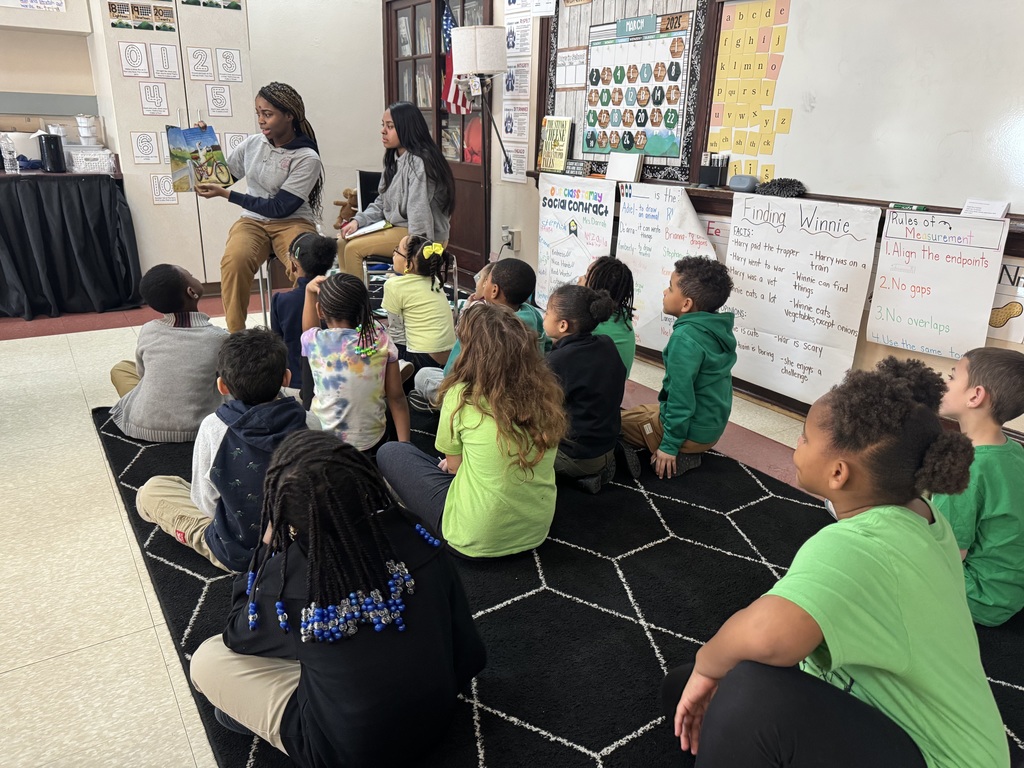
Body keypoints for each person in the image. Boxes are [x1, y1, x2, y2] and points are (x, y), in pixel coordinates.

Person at [661, 358, 1009, 768]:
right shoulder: (921, 512)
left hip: (940, 759)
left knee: (747, 692)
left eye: (805, 438)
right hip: (909, 732)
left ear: (838, 473)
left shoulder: (860, 544)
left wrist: (707, 666)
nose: (798, 443)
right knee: (683, 691)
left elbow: (767, 636)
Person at [189, 431, 486, 767]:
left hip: (345, 754)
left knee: (207, 658)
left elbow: (238, 633)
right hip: (439, 715)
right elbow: (470, 654)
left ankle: (259, 718)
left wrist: (265, 548)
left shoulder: (286, 579)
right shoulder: (417, 533)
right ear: (365, 481)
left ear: (280, 509)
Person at [376, 302, 567, 558]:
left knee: (391, 452)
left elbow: (454, 468)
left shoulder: (461, 395)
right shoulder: (547, 394)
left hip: (470, 537)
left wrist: (455, 464)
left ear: (470, 352)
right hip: (536, 531)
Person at [135, 329, 314, 572]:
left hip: (243, 554)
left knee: (151, 491)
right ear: (286, 377)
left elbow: (205, 504)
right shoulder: (311, 422)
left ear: (221, 385)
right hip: (304, 546)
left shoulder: (213, 427)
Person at [196, 82, 325, 333]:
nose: (261, 120)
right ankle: (237, 337)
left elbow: (280, 208)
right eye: (258, 113)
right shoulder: (253, 144)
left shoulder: (307, 158)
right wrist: (201, 144)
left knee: (305, 265)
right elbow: (221, 178)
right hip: (253, 221)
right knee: (235, 261)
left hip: (292, 220)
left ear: (289, 116)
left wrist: (228, 195)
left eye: (268, 114)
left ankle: (310, 333)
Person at [620, 256, 736, 479]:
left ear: (686, 304)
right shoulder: (716, 328)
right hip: (710, 427)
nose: (665, 292)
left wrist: (669, 447)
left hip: (691, 435)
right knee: (640, 411)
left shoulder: (685, 339)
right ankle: (681, 443)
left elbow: (681, 399)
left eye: (670, 288)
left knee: (610, 424)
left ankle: (680, 453)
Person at [932, 347, 1024, 626]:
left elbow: (947, 556)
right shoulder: (1015, 451)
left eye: (952, 376)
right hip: (1010, 590)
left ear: (976, 396)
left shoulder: (962, 469)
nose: (943, 382)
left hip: (979, 598)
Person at [338, 101, 456, 279]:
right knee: (341, 241)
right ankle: (343, 300)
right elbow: (381, 202)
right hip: (398, 228)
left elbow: (420, 211)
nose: (383, 131)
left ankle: (356, 305)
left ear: (407, 128)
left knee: (353, 249)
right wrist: (358, 221)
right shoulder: (394, 158)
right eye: (383, 125)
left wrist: (416, 251)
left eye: (390, 126)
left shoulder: (420, 162)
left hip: (423, 235)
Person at [409, 259, 545, 412]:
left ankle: (455, 410)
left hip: (482, 397)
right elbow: (545, 348)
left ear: (494, 290)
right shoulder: (533, 314)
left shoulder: (478, 322)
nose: (483, 283)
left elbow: (451, 372)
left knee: (424, 376)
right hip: (522, 395)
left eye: (486, 280)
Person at [109, 264, 226, 442]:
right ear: (192, 292)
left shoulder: (148, 329)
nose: (195, 277)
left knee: (121, 368)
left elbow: (142, 375)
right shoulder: (219, 337)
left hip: (142, 426)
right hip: (198, 428)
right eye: (192, 274)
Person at [301, 273, 410, 451]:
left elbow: (308, 329)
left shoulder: (313, 341)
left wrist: (309, 292)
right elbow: (396, 398)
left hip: (324, 442)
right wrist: (405, 447)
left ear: (320, 311)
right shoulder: (380, 339)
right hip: (372, 443)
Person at [544, 284, 627, 494]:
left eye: (546, 312)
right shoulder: (607, 343)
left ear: (563, 325)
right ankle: (601, 466)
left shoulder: (557, 362)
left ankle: (582, 475)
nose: (543, 316)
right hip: (608, 443)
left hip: (576, 457)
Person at [270, 232, 335, 394]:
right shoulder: (338, 295)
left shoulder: (281, 300)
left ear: (293, 265)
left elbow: (276, 343)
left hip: (293, 383)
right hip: (333, 379)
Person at [381, 234, 456, 371]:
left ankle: (405, 381)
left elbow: (397, 332)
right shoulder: (435, 280)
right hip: (450, 359)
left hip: (422, 359)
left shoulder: (393, 285)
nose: (393, 253)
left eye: (397, 250)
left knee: (378, 335)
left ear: (408, 264)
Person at [579, 256, 636, 376]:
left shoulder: (592, 322)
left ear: (597, 288)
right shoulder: (621, 315)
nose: (579, 279)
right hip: (614, 390)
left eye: (586, 277)